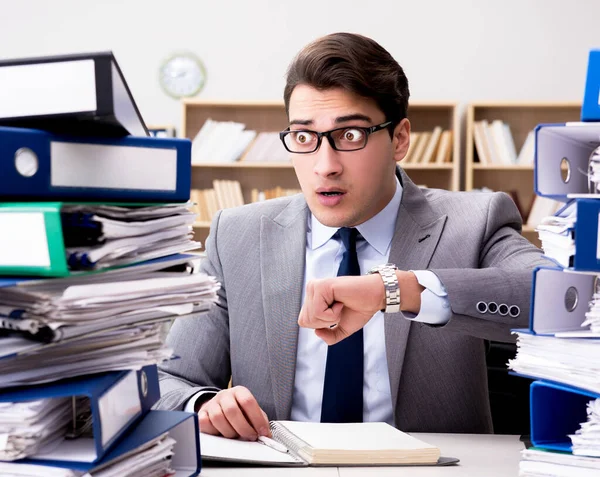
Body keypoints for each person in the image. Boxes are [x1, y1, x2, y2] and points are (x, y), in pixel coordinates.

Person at [156, 32, 550, 440]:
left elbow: (561, 298)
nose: (324, 166)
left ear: (399, 139)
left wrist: (395, 290)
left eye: (350, 135)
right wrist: (203, 404)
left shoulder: (475, 220)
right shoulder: (236, 235)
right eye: (305, 137)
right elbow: (169, 379)